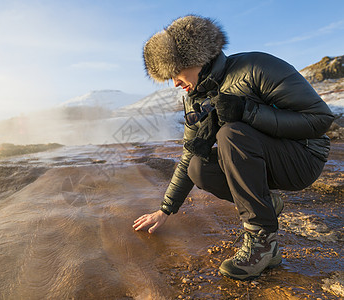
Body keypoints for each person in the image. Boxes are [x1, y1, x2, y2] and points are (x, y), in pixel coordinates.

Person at [132, 15, 334, 280]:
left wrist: (248, 112)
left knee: (230, 133)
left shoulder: (256, 67)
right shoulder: (195, 99)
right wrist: (165, 209)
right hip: (266, 158)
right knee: (198, 166)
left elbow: (320, 120)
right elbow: (189, 154)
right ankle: (266, 208)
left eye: (175, 73)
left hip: (304, 157)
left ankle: (260, 242)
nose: (175, 83)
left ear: (196, 58)